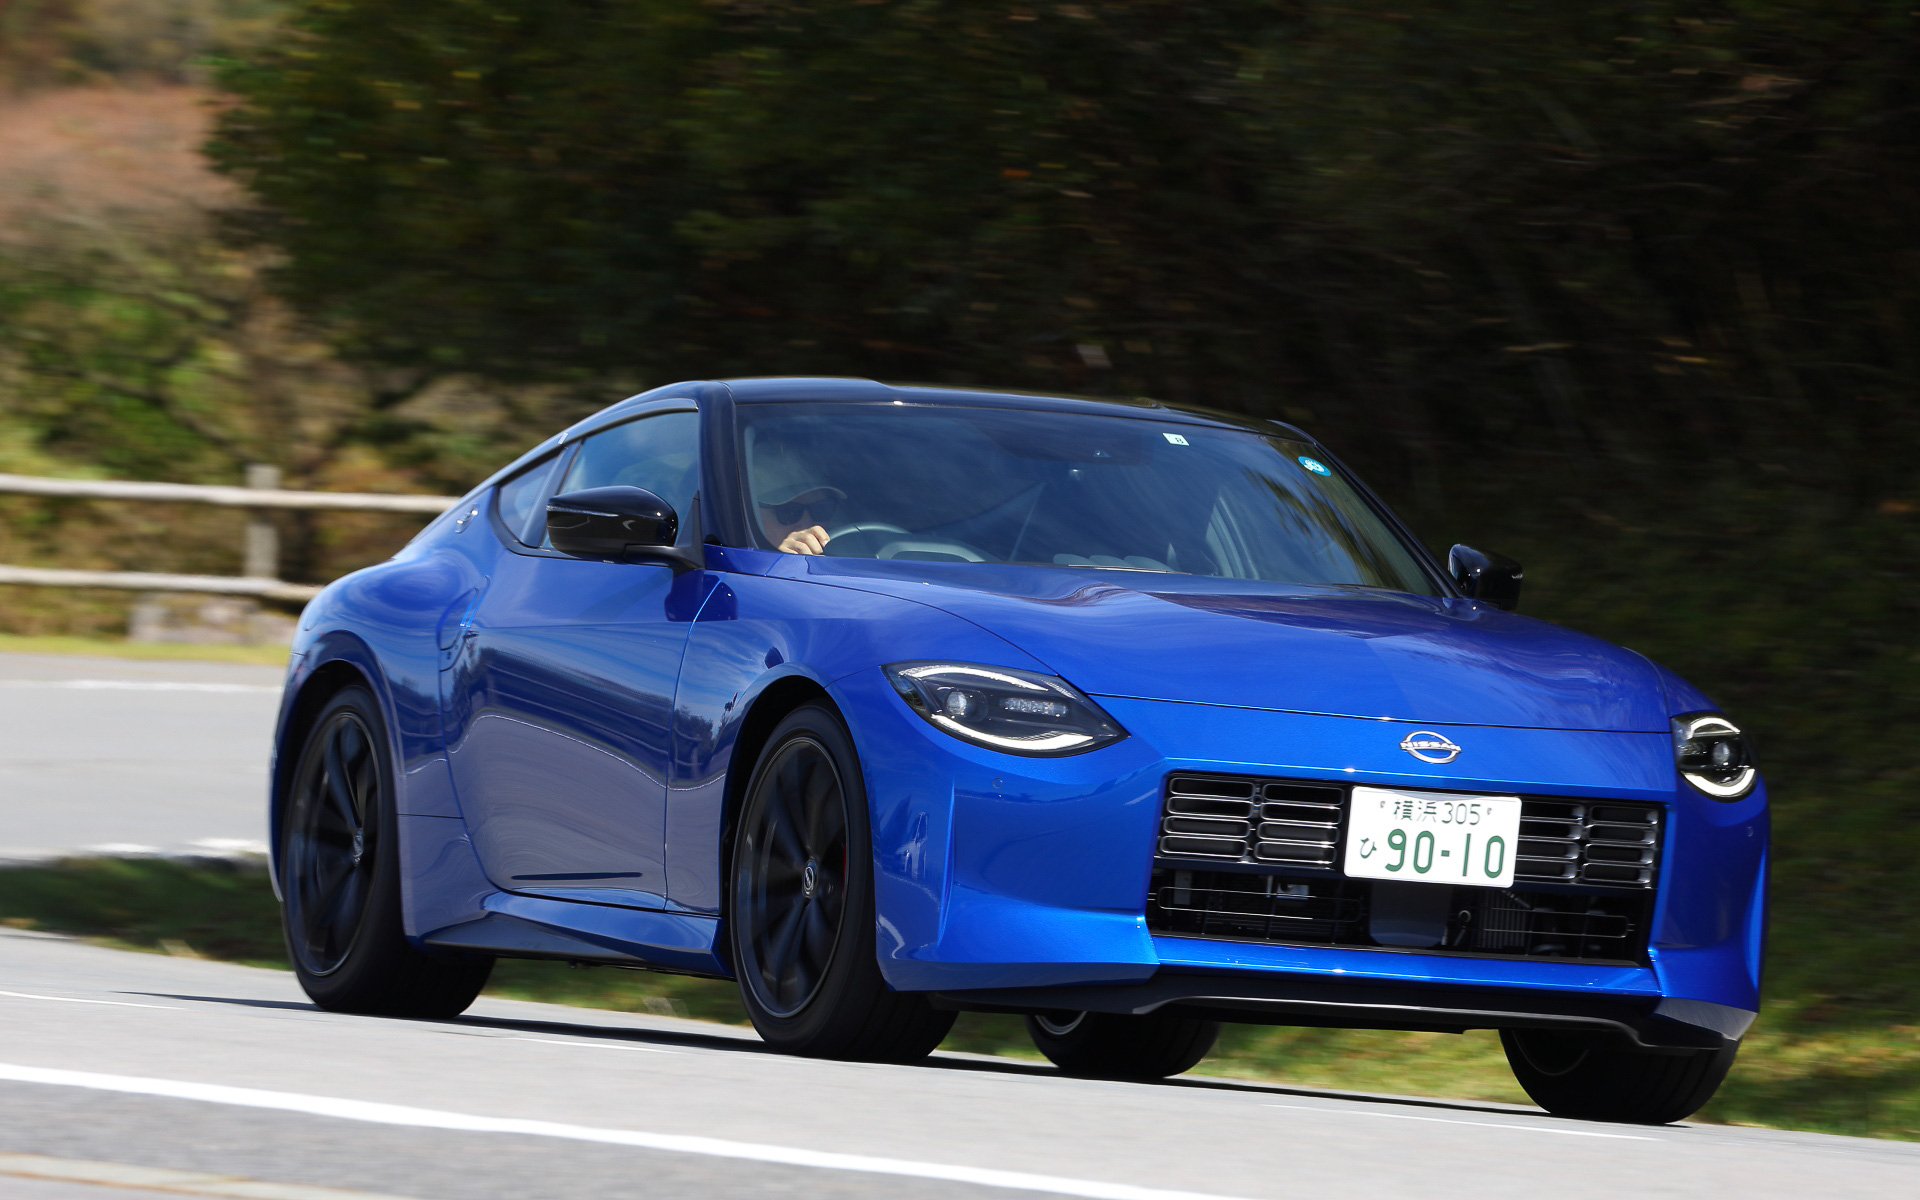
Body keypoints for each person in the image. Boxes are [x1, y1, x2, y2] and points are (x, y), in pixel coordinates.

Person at [751, 441, 844, 555]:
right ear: (752, 515)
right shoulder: (739, 559)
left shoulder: (852, 546)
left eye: (821, 509)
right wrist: (779, 559)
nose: (808, 525)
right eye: (788, 512)